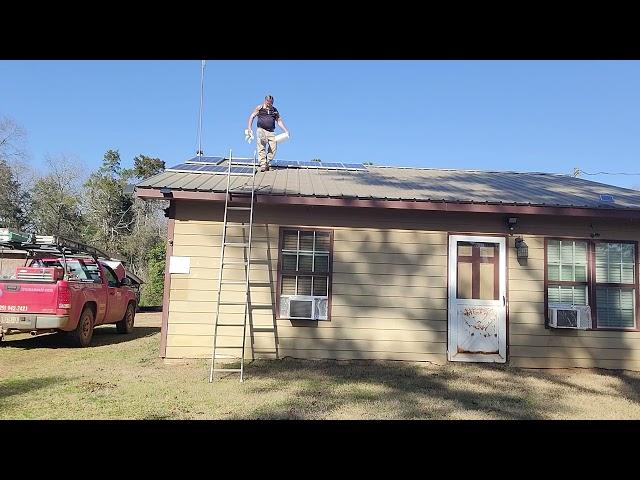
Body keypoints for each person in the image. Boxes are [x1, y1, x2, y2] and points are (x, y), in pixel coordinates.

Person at [245, 95, 290, 171]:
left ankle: (267, 162)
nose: (270, 104)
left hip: (271, 132)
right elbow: (252, 116)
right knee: (261, 145)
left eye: (272, 103)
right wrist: (249, 127)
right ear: (265, 101)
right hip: (261, 129)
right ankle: (262, 164)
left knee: (273, 148)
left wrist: (286, 130)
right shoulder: (260, 108)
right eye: (269, 102)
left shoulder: (274, 110)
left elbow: (279, 121)